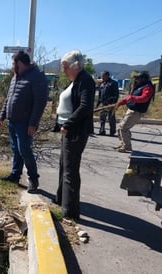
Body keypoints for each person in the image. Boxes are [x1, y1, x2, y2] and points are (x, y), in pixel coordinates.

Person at [0, 50, 48, 194]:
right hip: (13, 121)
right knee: (15, 150)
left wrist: (33, 123)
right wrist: (2, 115)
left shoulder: (36, 76)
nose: (12, 66)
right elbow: (9, 98)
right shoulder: (16, 77)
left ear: (19, 63)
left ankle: (33, 179)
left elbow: (40, 102)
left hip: (25, 123)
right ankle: (15, 175)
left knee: (24, 150)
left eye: (13, 63)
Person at [54, 50, 95, 220]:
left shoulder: (85, 80)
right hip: (68, 130)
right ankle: (61, 200)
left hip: (75, 131)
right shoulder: (76, 80)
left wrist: (68, 124)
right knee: (64, 165)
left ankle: (70, 211)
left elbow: (85, 106)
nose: (63, 71)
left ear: (76, 66)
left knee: (70, 170)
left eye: (65, 67)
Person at [114, 71, 155, 153]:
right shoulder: (140, 86)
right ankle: (123, 143)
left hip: (136, 111)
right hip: (131, 109)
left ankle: (126, 146)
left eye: (139, 78)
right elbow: (128, 98)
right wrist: (120, 103)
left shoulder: (148, 87)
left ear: (144, 79)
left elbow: (144, 98)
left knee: (123, 128)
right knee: (121, 127)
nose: (137, 80)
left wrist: (132, 98)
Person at [96, 71, 119, 136]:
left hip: (110, 104)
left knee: (111, 118)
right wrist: (97, 104)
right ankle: (102, 131)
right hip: (103, 104)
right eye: (101, 76)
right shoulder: (102, 84)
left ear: (107, 76)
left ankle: (112, 132)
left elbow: (116, 95)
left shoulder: (113, 83)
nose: (102, 77)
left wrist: (112, 103)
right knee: (102, 118)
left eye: (103, 76)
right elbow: (100, 95)